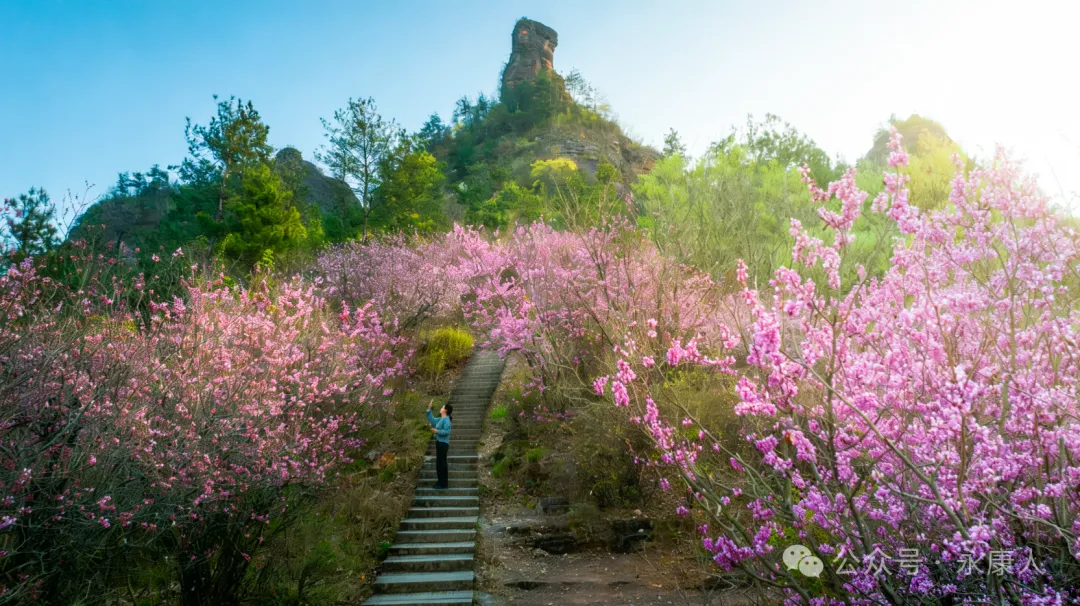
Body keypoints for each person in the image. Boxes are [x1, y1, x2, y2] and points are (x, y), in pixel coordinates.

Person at [426, 401, 453, 489]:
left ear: (445, 410)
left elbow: (447, 431)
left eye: (442, 407)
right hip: (439, 443)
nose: (441, 408)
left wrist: (437, 431)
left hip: (443, 444)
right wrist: (429, 409)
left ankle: (443, 484)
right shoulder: (441, 419)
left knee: (442, 464)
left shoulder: (446, 420)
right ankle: (440, 482)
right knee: (439, 464)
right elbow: (432, 419)